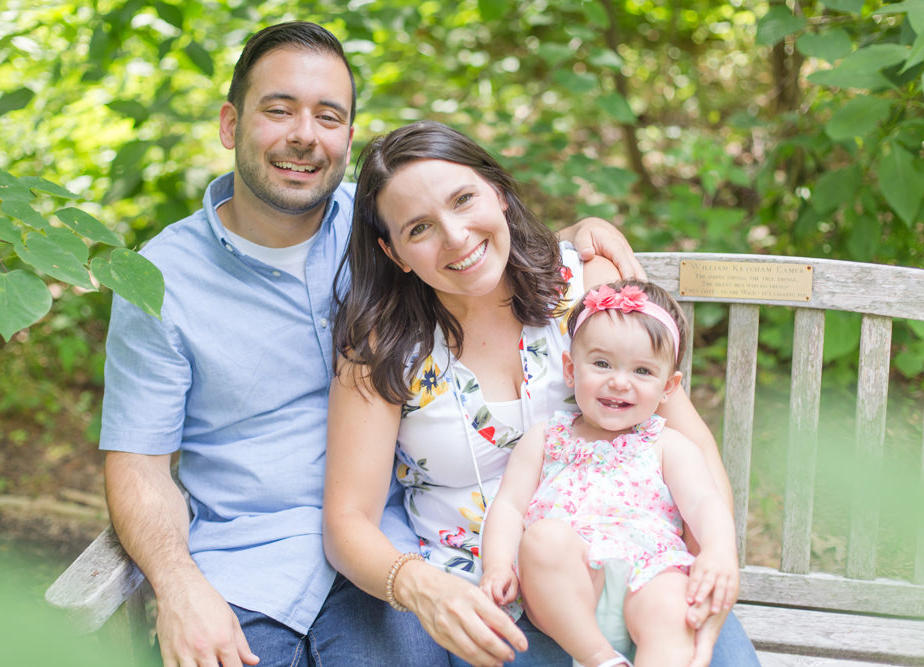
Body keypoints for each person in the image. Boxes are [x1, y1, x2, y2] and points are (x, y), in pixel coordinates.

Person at [99, 21, 637, 667]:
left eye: (328, 116)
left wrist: (583, 233)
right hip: (247, 567)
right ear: (228, 124)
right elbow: (137, 464)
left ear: (347, 137)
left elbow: (477, 239)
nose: (304, 134)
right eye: (279, 109)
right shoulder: (155, 280)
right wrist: (177, 583)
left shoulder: (389, 226)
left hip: (389, 545)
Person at [324, 121, 758, 667]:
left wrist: (713, 562)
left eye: (465, 200)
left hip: (643, 575)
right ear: (394, 253)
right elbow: (347, 523)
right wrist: (422, 589)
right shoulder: (383, 349)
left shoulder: (584, 287)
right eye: (420, 229)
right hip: (490, 602)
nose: (456, 236)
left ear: (499, 193)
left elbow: (686, 437)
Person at [479, 280, 739, 667]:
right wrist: (498, 564)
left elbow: (704, 502)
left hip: (649, 572)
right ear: (571, 369)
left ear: (668, 388)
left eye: (642, 371)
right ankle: (601, 658)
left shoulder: (668, 445)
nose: (619, 381)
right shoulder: (546, 438)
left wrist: (718, 550)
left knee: (674, 610)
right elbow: (509, 507)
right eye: (601, 364)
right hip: (569, 581)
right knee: (543, 538)